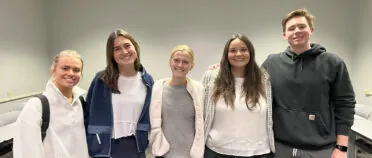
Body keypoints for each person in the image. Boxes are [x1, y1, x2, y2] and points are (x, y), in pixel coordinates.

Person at [261, 8, 356, 158]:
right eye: (291, 28)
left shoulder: (333, 63)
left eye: (302, 26)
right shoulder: (272, 63)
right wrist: (225, 68)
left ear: (311, 30)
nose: (296, 31)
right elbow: (250, 84)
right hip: (279, 147)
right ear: (285, 35)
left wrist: (341, 147)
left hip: (320, 149)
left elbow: (345, 105)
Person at [83, 29, 153, 158]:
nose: (124, 52)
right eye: (117, 49)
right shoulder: (101, 80)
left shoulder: (148, 82)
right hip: (105, 148)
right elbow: (87, 114)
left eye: (127, 46)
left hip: (136, 147)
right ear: (111, 54)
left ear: (135, 47)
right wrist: (92, 143)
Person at [202, 34, 275, 158]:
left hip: (258, 152)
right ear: (226, 54)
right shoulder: (211, 77)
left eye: (243, 50)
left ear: (250, 53)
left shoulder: (264, 79)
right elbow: (200, 112)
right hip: (216, 151)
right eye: (233, 50)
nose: (238, 54)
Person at [13, 50, 89, 158]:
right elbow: (26, 150)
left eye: (76, 70)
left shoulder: (80, 102)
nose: (71, 73)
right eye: (65, 68)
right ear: (53, 70)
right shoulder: (37, 105)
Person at [149, 45, 204, 158]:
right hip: (163, 153)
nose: (180, 65)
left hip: (190, 154)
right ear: (170, 62)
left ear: (191, 66)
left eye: (185, 62)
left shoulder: (199, 89)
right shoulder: (158, 88)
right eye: (176, 60)